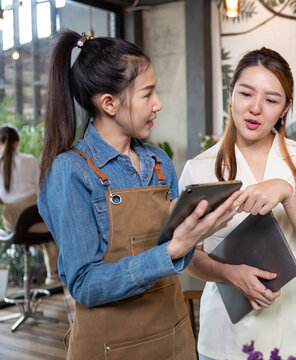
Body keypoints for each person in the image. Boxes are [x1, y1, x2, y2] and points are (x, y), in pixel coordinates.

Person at [37, 30, 240, 359]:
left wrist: (197, 231)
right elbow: (86, 284)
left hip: (174, 339)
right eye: (148, 94)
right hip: (111, 349)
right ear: (109, 103)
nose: (158, 103)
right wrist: (172, 250)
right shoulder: (70, 172)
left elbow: (178, 254)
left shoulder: (158, 162)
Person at [180, 47, 296, 360]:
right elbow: (187, 257)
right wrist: (230, 274)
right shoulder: (199, 168)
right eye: (246, 93)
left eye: (271, 99)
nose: (255, 109)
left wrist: (287, 192)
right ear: (230, 94)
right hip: (226, 336)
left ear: (285, 108)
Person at [0, 124, 60, 286]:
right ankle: (54, 272)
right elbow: (39, 189)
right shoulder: (30, 160)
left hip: (15, 221)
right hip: (35, 214)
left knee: (33, 233)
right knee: (48, 238)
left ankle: (54, 273)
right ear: (17, 142)